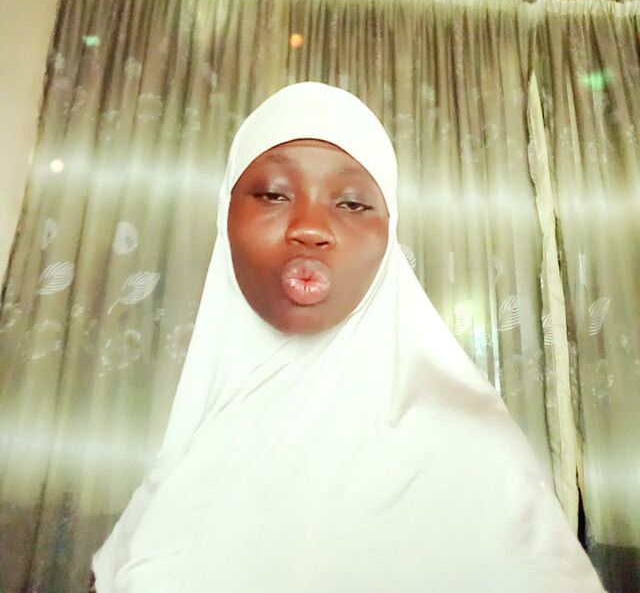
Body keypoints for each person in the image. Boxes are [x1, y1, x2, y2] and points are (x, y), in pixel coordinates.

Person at [91, 81, 606, 592]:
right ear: (224, 220)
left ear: (390, 232)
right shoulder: (196, 443)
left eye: (353, 204)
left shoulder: (476, 461)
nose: (310, 228)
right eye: (273, 194)